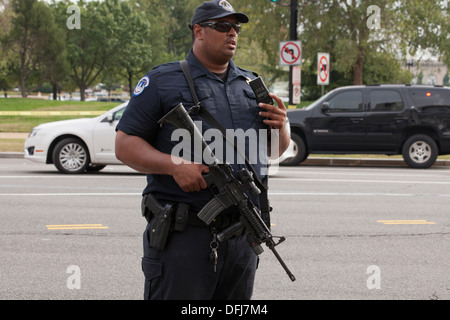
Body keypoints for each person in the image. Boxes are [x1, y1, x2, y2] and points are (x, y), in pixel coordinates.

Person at [115, 0, 290, 300]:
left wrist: (282, 126)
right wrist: (174, 165)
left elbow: (273, 152)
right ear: (198, 31)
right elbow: (124, 145)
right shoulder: (162, 81)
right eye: (223, 26)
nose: (232, 33)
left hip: (242, 238)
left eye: (236, 27)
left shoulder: (249, 84)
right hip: (184, 238)